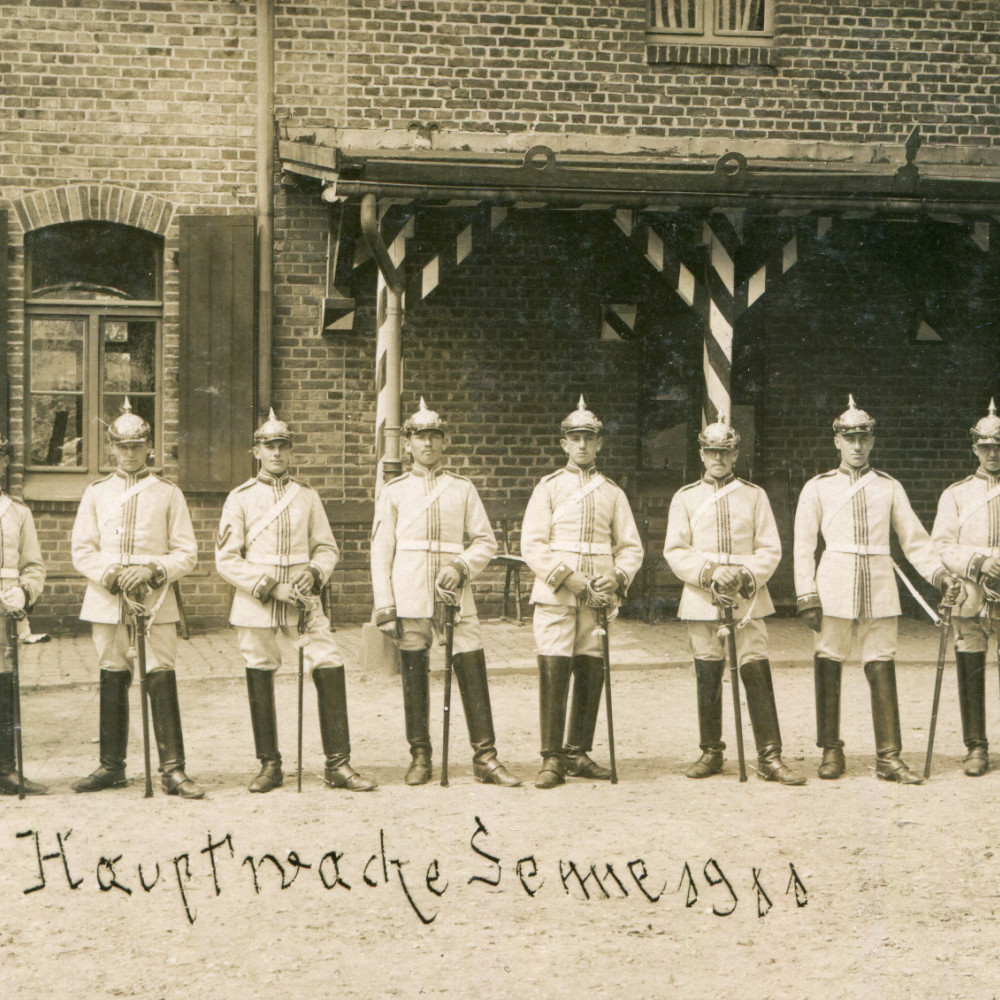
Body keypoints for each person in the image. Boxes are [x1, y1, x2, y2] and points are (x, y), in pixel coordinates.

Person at [794, 395, 960, 784]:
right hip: (833, 583)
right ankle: (831, 750)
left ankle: (889, 756)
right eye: (849, 438)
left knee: (881, 662)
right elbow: (803, 547)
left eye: (863, 439)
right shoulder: (817, 488)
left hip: (881, 586)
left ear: (872, 441)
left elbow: (915, 541)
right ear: (836, 440)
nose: (856, 446)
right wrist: (806, 594)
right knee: (828, 660)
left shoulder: (889, 487)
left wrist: (940, 575)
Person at [216, 409, 375, 793]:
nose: (276, 453)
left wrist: (315, 573)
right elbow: (225, 559)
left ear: (291, 452)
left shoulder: (307, 497)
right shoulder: (240, 498)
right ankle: (269, 765)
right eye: (269, 446)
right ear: (256, 451)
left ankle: (338, 763)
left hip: (304, 601)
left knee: (328, 662)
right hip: (257, 600)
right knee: (259, 667)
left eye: (283, 446)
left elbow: (327, 548)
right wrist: (271, 587)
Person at [371, 398, 519, 787]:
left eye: (435, 436)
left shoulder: (462, 488)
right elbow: (380, 550)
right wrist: (385, 605)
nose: (428, 444)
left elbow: (485, 541)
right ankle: (420, 755)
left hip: (455, 592)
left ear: (445, 441)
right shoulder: (395, 491)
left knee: (470, 662)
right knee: (415, 670)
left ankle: (485, 756)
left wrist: (461, 566)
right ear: (407, 444)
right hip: (409, 590)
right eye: (420, 437)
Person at [71, 400, 203, 798]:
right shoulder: (95, 493)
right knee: (112, 672)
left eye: (137, 445)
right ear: (111, 448)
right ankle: (111, 766)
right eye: (122, 446)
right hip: (106, 597)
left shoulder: (168, 493)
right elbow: (82, 550)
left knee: (160, 672)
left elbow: (187, 553)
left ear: (149, 447)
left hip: (155, 598)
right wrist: (113, 575)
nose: (129, 453)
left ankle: (173, 770)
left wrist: (150, 570)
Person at [664, 415, 804, 784]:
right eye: (711, 451)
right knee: (707, 670)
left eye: (725, 452)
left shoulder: (754, 496)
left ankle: (770, 755)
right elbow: (676, 551)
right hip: (702, 595)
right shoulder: (685, 498)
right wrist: (710, 571)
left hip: (748, 597)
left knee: (755, 667)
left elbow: (770, 548)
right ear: (701, 453)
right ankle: (711, 751)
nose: (718, 459)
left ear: (736, 453)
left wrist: (744, 574)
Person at [521, 396, 643, 789]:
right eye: (575, 438)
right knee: (555, 665)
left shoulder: (613, 492)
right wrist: (564, 576)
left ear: (600, 444)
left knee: (591, 666)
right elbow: (533, 543)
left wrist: (618, 576)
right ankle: (551, 757)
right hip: (557, 592)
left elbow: (630, 546)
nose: (583, 446)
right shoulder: (549, 488)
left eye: (590, 439)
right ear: (564, 444)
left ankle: (578, 751)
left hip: (598, 596)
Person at [930, 399, 1000, 777]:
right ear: (974, 448)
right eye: (986, 446)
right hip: (973, 590)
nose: (992, 453)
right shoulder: (955, 494)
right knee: (971, 661)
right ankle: (976, 746)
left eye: (998, 446)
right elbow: (941, 544)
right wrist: (978, 563)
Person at [0, 433, 47, 794]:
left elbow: (33, 566)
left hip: (6, 614)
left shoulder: (17, 512)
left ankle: (5, 769)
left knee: (4, 687)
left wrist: (24, 590)